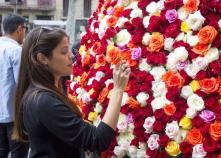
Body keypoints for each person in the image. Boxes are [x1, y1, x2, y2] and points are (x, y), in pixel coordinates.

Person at [13, 27, 131, 158]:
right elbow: (98, 139)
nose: (71, 55)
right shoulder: (43, 101)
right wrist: (118, 90)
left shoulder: (46, 92)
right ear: (42, 58)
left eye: (69, 49)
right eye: (64, 52)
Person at [0, 14, 28, 158]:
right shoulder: (15, 50)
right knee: (19, 154)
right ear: (19, 29)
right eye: (25, 29)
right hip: (14, 116)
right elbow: (22, 84)